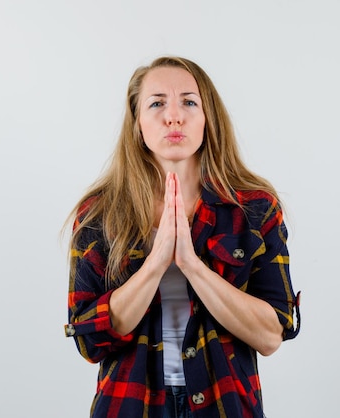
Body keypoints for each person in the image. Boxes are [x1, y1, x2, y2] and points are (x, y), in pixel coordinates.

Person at [63, 56, 300, 418]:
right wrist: (156, 264)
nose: (174, 116)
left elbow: (270, 336)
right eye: (156, 103)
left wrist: (191, 265)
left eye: (189, 102)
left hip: (225, 404)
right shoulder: (98, 215)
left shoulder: (255, 209)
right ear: (137, 123)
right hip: (129, 405)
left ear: (208, 119)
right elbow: (89, 341)